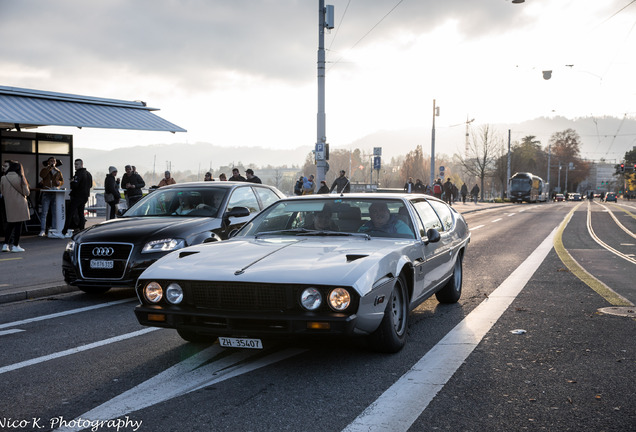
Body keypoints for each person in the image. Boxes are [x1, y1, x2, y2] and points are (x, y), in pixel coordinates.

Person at [1, 160, 30, 252]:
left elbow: (2, 192)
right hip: (20, 203)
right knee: (18, 225)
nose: (4, 168)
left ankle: (5, 245)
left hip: (9, 204)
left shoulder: (3, 178)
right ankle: (15, 245)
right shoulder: (21, 178)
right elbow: (27, 192)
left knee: (10, 224)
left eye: (6, 166)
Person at [62, 159, 92, 237]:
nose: (75, 166)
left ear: (82, 164)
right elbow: (91, 185)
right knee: (81, 213)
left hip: (77, 196)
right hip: (85, 197)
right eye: (75, 164)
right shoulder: (88, 174)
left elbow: (75, 185)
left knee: (70, 213)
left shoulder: (78, 174)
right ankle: (82, 230)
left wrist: (72, 181)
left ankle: (64, 231)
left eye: (77, 164)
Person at [38, 156, 64, 236]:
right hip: (46, 192)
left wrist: (59, 183)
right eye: (51, 161)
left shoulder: (58, 171)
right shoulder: (45, 170)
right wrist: (49, 168)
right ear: (48, 162)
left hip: (54, 193)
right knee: (44, 213)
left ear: (56, 163)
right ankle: (42, 230)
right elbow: (42, 175)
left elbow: (62, 181)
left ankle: (53, 229)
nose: (53, 162)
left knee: (54, 212)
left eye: (54, 161)